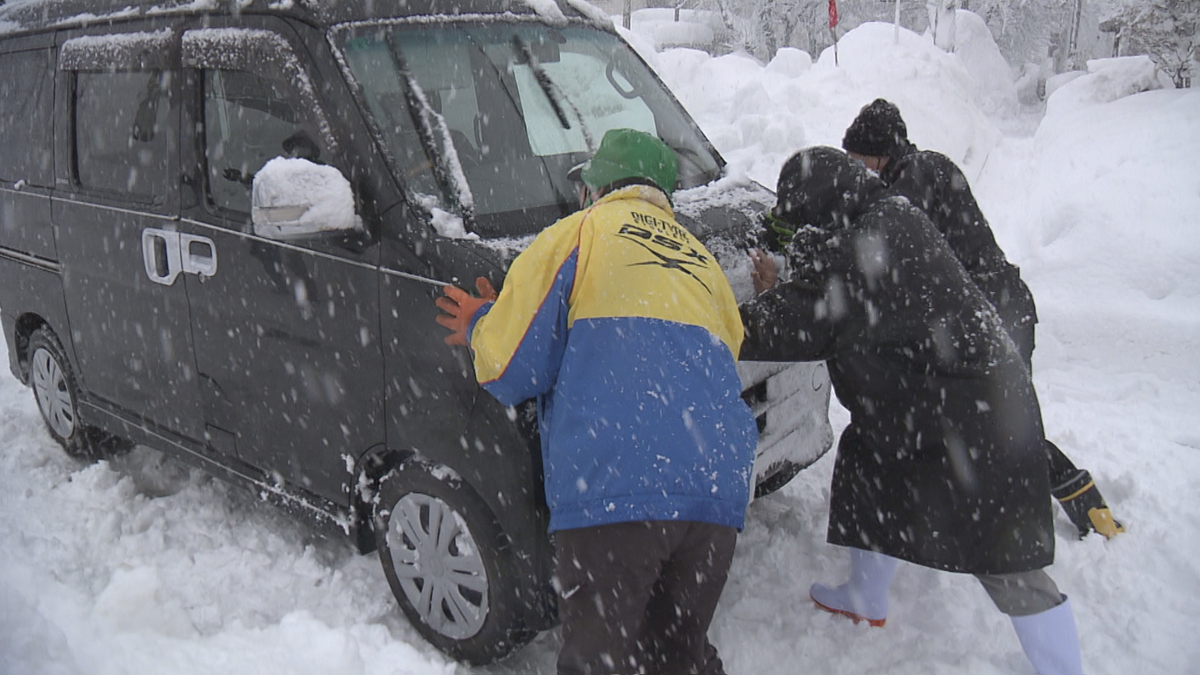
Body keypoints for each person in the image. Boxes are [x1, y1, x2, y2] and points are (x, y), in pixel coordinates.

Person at [742, 146, 1086, 675]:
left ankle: (1064, 668)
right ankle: (864, 597)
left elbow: (814, 318)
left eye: (805, 220)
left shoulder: (876, 240)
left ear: (825, 204)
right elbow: (838, 283)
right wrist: (786, 283)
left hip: (977, 418)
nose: (802, 232)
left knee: (1002, 556)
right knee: (870, 474)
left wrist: (716, 316)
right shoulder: (885, 216)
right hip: (936, 402)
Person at [434, 128, 758, 675]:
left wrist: (481, 322)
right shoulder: (703, 263)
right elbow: (721, 355)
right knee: (678, 654)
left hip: (617, 487)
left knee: (598, 661)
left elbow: (510, 368)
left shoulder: (577, 235)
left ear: (597, 188)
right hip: (716, 495)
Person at [838, 97, 1123, 540]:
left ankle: (1084, 508)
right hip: (1001, 305)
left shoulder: (913, 177)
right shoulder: (928, 168)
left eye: (859, 160)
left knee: (1002, 425)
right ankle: (1002, 507)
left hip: (990, 316)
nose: (857, 169)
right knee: (993, 420)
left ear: (881, 153)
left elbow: (886, 243)